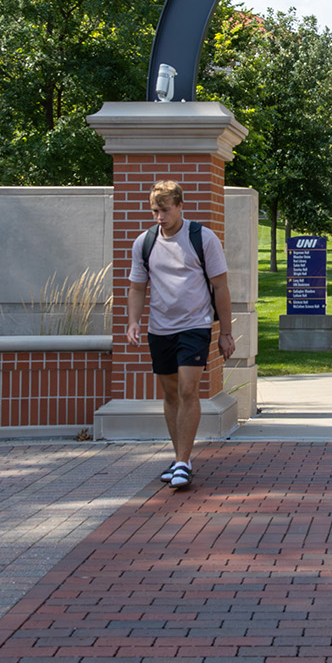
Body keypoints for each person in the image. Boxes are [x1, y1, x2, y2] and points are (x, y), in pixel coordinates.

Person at [123, 181, 234, 491]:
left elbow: (221, 287)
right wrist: (133, 322)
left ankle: (183, 462)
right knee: (171, 394)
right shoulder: (144, 242)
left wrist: (225, 332)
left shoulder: (202, 238)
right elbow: (136, 287)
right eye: (155, 211)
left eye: (165, 210)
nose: (160, 217)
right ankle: (179, 456)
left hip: (195, 326)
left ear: (180, 206)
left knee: (188, 389)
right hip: (160, 329)